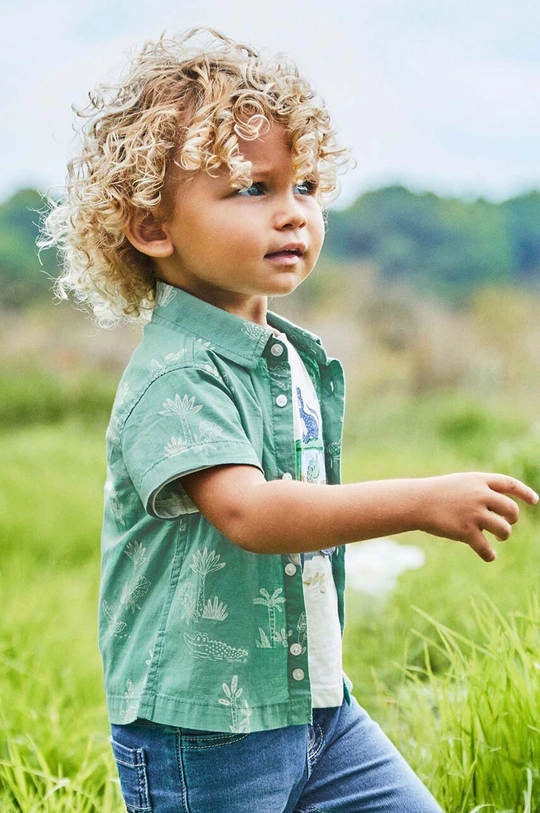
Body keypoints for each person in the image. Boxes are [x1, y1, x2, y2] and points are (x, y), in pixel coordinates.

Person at [41, 28, 538, 813]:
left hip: (316, 710)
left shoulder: (287, 356)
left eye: (304, 187)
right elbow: (251, 511)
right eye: (251, 189)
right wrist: (420, 502)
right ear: (151, 227)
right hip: (200, 735)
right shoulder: (179, 371)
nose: (292, 215)